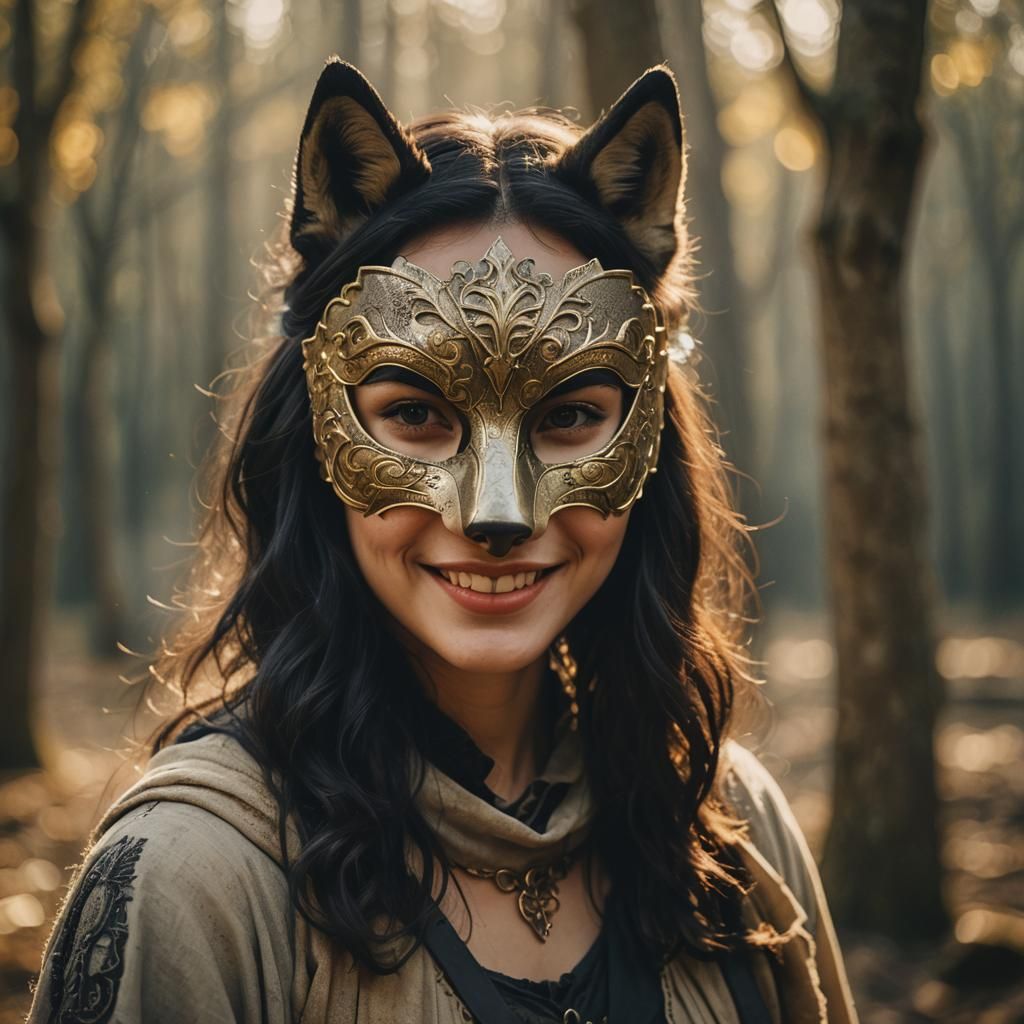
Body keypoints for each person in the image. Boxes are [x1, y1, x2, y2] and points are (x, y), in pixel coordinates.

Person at [29, 59, 857, 1024]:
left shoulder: (731, 830)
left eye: (571, 415)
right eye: (416, 412)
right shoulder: (191, 880)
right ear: (317, 430)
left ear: (648, 437)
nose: (496, 515)